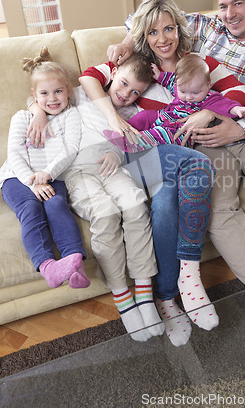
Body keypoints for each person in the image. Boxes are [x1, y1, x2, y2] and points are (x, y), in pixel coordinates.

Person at [107, 0, 245, 361]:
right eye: (224, 5)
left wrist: (239, 123)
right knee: (217, 205)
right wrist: (127, 41)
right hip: (208, 136)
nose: (230, 13)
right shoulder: (205, 26)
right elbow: (148, 18)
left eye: (238, 3)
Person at [78, 53, 219, 339]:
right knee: (198, 164)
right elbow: (82, 80)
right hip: (124, 166)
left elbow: (211, 97)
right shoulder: (91, 95)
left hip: (146, 162)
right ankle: (189, 278)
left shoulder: (141, 109)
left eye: (136, 92)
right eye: (124, 84)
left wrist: (211, 112)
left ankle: (165, 297)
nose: (127, 94)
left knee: (167, 202)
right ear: (113, 73)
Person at [0, 48, 90, 290]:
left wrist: (47, 174)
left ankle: (74, 262)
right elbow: (15, 153)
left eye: (58, 91)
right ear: (34, 96)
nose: (52, 98)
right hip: (17, 177)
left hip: (52, 175)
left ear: (69, 91)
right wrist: (32, 181)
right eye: (44, 93)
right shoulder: (22, 117)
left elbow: (70, 149)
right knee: (30, 207)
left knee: (57, 204)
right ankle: (47, 266)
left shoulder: (71, 116)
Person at [103, 53, 245, 152]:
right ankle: (124, 132)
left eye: (195, 93)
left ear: (208, 85)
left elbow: (226, 105)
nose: (188, 97)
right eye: (183, 92)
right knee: (146, 116)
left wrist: (237, 110)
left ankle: (137, 142)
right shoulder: (180, 88)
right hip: (165, 117)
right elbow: (170, 82)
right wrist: (159, 75)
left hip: (181, 132)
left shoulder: (211, 98)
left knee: (161, 133)